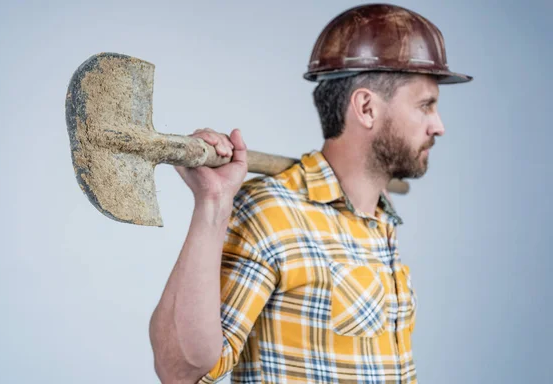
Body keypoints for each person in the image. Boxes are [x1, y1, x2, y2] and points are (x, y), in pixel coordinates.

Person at [149, 4, 472, 383]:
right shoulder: (271, 213)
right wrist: (214, 205)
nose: (439, 126)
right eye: (426, 105)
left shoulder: (380, 220)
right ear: (366, 108)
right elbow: (182, 370)